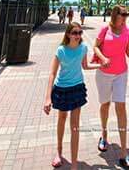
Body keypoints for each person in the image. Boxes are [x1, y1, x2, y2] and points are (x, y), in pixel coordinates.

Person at [93, 5, 129, 168]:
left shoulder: (127, 31)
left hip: (121, 74)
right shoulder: (104, 29)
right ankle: (104, 134)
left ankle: (124, 152)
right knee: (105, 104)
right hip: (103, 73)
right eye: (123, 15)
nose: (125, 18)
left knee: (121, 107)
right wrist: (102, 58)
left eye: (126, 15)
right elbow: (95, 46)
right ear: (115, 15)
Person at [44, 22, 101, 169]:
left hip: (77, 88)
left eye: (80, 33)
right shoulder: (61, 50)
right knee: (62, 119)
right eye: (75, 33)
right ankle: (59, 151)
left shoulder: (83, 48)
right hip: (62, 88)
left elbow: (85, 66)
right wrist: (48, 97)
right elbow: (52, 74)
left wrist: (101, 65)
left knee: (75, 126)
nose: (77, 36)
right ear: (68, 34)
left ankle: (74, 164)